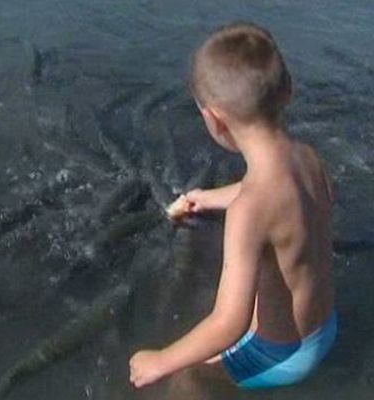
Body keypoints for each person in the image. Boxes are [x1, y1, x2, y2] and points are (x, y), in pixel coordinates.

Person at [129, 21, 337, 390]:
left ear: (213, 119)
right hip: (324, 328)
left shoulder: (248, 212)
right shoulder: (308, 158)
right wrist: (208, 198)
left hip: (282, 358)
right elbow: (278, 200)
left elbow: (228, 323)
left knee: (185, 379)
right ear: (287, 89)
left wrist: (160, 361)